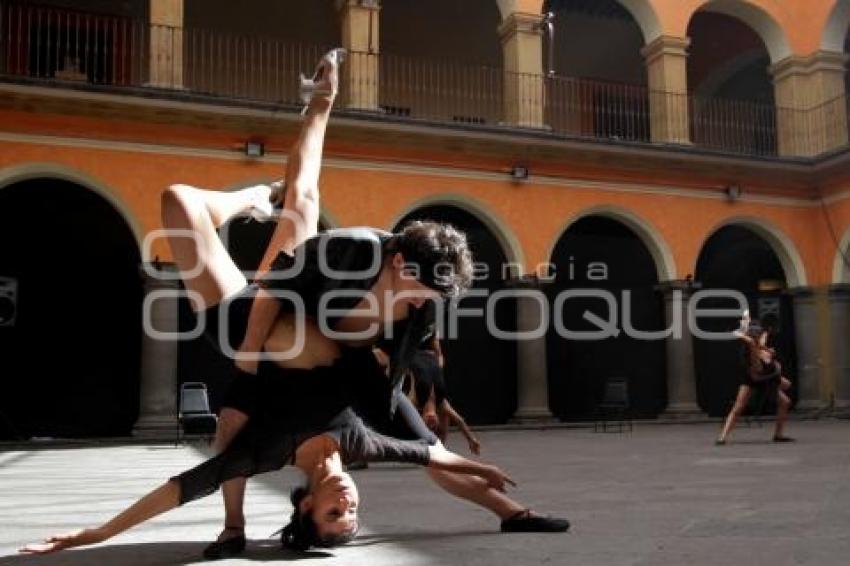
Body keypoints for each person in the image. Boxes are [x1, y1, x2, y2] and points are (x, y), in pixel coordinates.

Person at [18, 348, 523, 556]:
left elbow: (178, 491)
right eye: (353, 511)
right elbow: (430, 455)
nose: (348, 499)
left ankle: (232, 527)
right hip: (325, 338)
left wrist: (98, 532)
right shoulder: (358, 444)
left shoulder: (263, 455)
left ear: (304, 504)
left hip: (268, 342)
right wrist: (485, 466)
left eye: (333, 512)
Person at [715, 310, 793, 445]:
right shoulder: (752, 349)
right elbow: (756, 377)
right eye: (755, 335)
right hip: (754, 380)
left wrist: (747, 321)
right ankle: (722, 437)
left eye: (758, 334)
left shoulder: (762, 342)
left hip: (768, 377)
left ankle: (778, 435)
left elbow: (762, 336)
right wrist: (743, 329)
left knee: (785, 400)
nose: (758, 336)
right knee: (738, 407)